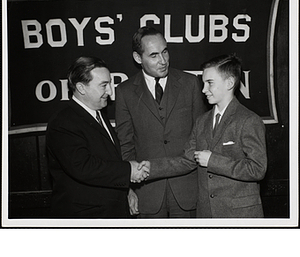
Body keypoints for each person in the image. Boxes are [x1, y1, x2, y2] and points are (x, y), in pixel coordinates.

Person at [149, 54, 268, 218]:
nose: (204, 89)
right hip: (207, 214)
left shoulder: (248, 120)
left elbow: (257, 169)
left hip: (240, 215)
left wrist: (213, 161)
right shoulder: (202, 121)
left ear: (229, 83)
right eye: (203, 83)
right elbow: (187, 159)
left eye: (209, 83)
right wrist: (147, 168)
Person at [115, 26, 205, 218]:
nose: (163, 61)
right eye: (154, 55)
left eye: (165, 52)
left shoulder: (190, 83)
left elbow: (201, 138)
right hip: (147, 194)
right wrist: (129, 189)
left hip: (188, 192)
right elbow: (125, 145)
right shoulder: (125, 91)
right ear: (138, 58)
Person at [46, 56, 150, 218]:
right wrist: (129, 171)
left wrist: (126, 191)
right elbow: (83, 167)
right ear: (81, 88)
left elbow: (108, 161)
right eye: (104, 85)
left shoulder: (99, 114)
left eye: (110, 83)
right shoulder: (63, 121)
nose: (110, 91)